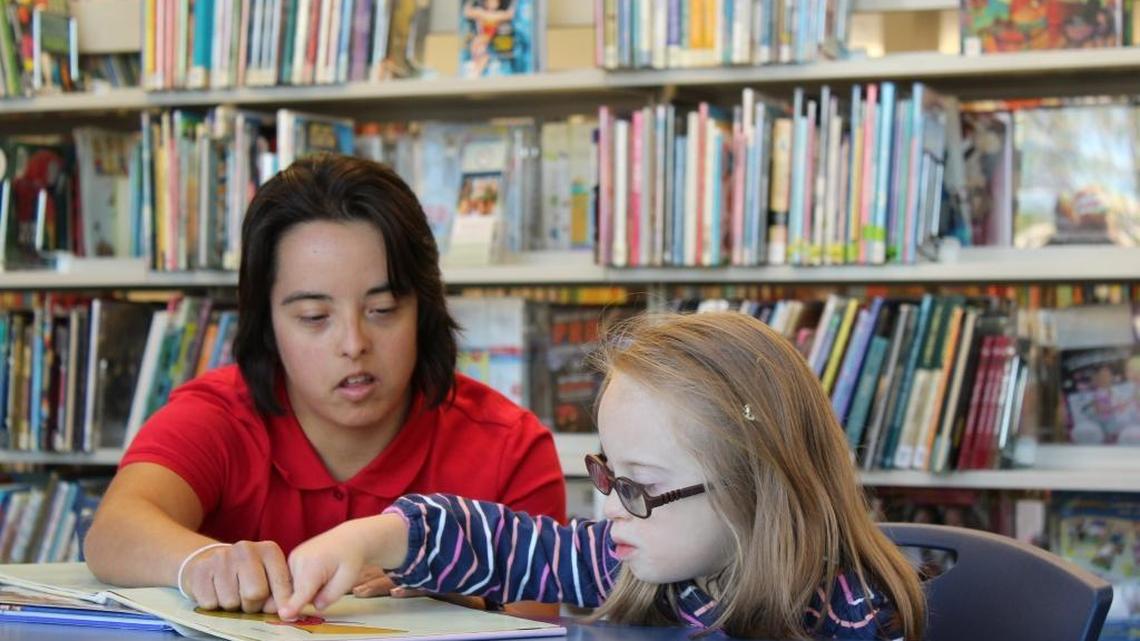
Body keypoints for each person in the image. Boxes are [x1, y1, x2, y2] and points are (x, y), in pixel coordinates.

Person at [83, 154, 565, 618]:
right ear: (266, 322)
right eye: (314, 317)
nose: (354, 344)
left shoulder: (508, 446)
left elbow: (535, 618)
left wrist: (458, 603)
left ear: (424, 309)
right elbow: (113, 531)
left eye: (382, 310)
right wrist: (202, 563)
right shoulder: (218, 416)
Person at [277, 312, 927, 639]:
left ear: (751, 490)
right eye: (609, 474)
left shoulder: (854, 615)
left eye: (638, 486)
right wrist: (369, 538)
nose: (610, 506)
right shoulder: (629, 560)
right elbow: (502, 544)